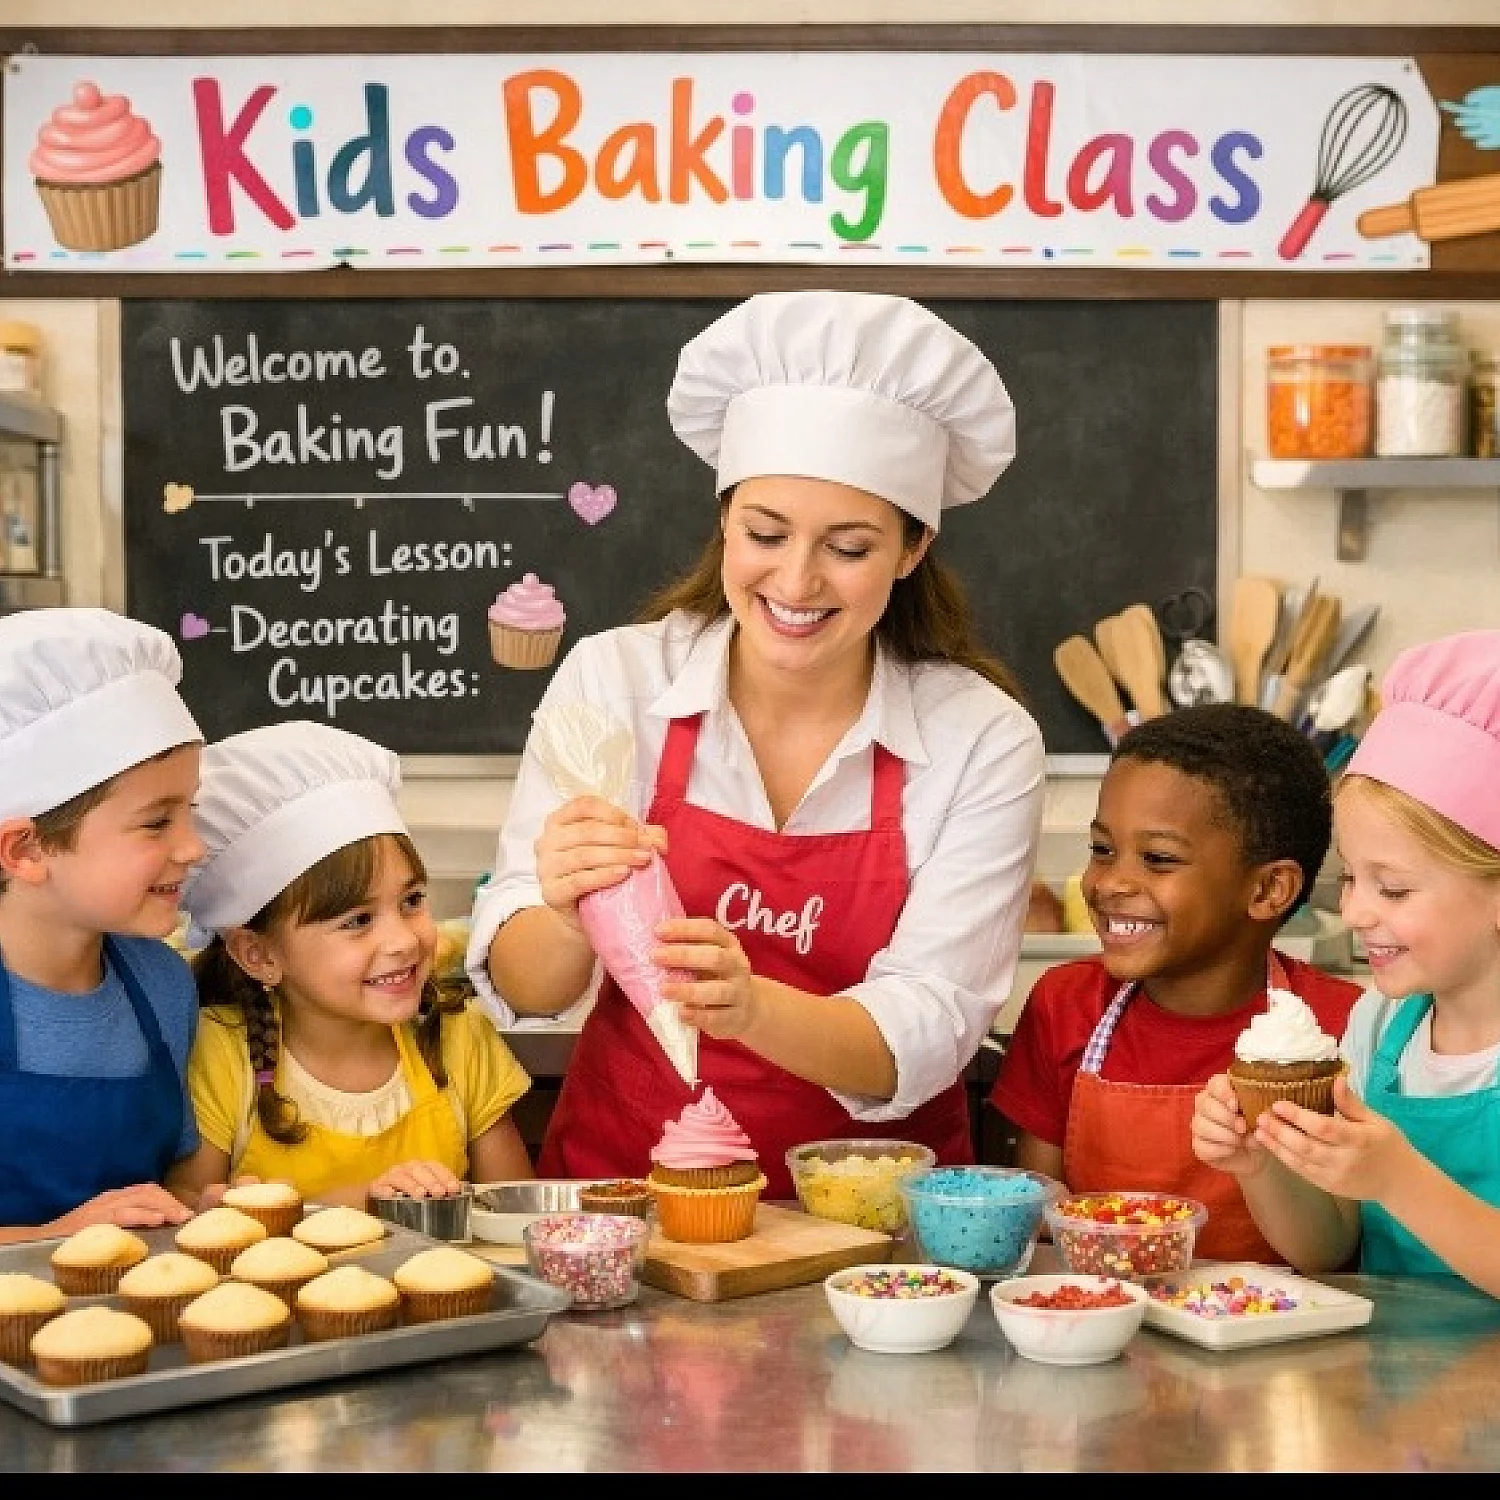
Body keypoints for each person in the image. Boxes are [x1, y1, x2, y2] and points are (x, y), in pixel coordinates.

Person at [468, 289, 1046, 1198]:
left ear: (912, 549)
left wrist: (750, 1010)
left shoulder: (981, 738)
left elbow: (933, 1026)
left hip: (871, 1224)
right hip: (628, 1203)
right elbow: (529, 988)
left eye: (848, 548)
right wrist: (567, 906)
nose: (797, 580)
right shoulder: (617, 682)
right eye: (765, 533)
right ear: (725, 520)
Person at [990, 703, 1361, 1262]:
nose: (1111, 883)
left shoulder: (1347, 1027)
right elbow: (1043, 1222)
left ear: (1268, 891)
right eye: (1102, 850)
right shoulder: (1064, 1004)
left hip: (1280, 1317)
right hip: (1102, 1307)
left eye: (1158, 859)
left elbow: (1339, 1251)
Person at [1191, 631, 1500, 1292]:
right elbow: (1327, 1249)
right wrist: (1262, 1163)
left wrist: (1400, 1180)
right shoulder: (1382, 1025)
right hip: (1391, 1359)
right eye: (1351, 879)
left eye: (1394, 889)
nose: (1356, 912)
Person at [167, 721, 534, 1209]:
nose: (403, 940)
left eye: (412, 900)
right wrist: (368, 1203)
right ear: (260, 955)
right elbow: (190, 1214)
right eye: (358, 920)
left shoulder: (457, 1037)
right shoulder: (220, 1055)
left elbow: (514, 1213)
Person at [0, 607, 204, 1244]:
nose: (193, 847)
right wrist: (56, 1238)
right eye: (156, 822)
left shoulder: (162, 984)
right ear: (25, 851)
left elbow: (166, 1181)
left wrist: (199, 1208)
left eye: (191, 812)